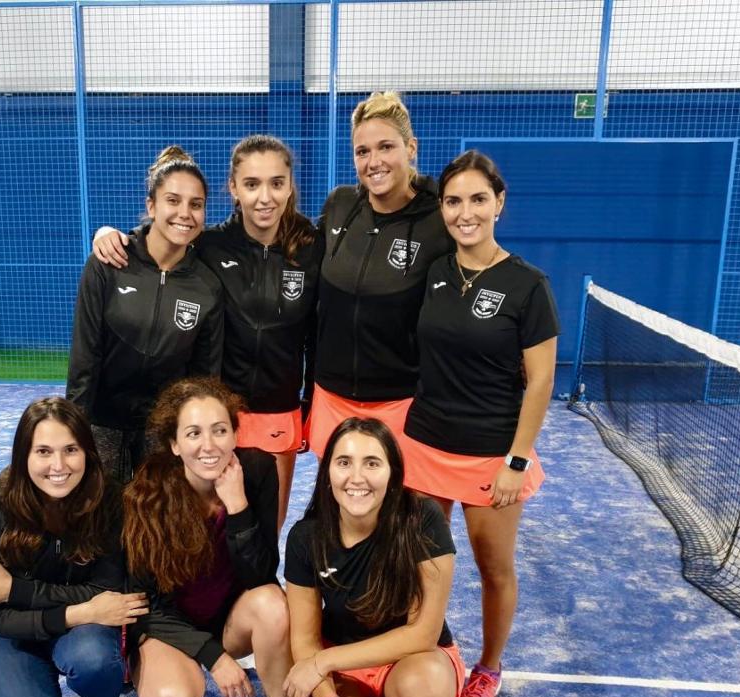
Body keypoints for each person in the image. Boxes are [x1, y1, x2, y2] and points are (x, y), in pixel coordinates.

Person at [92, 135, 322, 529]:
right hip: (220, 414)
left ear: (290, 186)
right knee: (209, 528)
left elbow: (317, 334)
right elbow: (163, 237)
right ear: (233, 188)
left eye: (276, 183)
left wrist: (308, 402)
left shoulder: (311, 248)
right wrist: (114, 236)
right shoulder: (210, 244)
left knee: (266, 530)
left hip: (279, 414)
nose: (264, 197)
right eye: (251, 184)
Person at [401, 150, 559, 697]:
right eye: (453, 201)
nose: (465, 212)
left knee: (494, 567)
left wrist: (516, 461)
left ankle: (488, 668)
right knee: (420, 561)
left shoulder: (526, 286)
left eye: (477, 199)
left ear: (499, 204)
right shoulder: (435, 269)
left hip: (492, 451)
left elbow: (540, 380)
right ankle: (438, 647)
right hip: (423, 444)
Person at [122, 376, 315, 697]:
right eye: (193, 433)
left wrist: (238, 505)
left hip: (229, 618)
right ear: (174, 445)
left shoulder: (257, 470)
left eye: (219, 430)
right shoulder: (148, 495)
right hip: (167, 625)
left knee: (271, 603)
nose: (208, 445)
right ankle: (150, 671)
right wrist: (213, 658)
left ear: (233, 434)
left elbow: (261, 575)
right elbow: (146, 604)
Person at [281, 418, 464, 697]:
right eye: (343, 462)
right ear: (327, 473)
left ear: (393, 472)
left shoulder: (423, 520)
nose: (357, 477)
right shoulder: (306, 537)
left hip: (412, 658)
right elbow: (305, 640)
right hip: (344, 656)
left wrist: (323, 663)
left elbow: (424, 632)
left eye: (372, 463)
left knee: (427, 692)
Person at [0, 397, 150, 697]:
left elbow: (109, 591)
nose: (59, 466)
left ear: (88, 451)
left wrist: (14, 589)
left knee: (93, 658)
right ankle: (36, 678)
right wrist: (80, 612)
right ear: (23, 456)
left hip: (80, 632)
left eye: (71, 450)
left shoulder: (111, 501)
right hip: (10, 632)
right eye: (44, 451)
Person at [306, 90, 454, 455]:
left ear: (411, 148)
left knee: (409, 513)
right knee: (340, 508)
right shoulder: (340, 206)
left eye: (386, 147)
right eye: (362, 151)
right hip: (332, 397)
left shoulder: (440, 219)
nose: (374, 161)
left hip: (403, 403)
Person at [67, 146, 224, 483]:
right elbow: (84, 356)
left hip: (162, 430)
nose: (185, 213)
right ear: (151, 205)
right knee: (101, 518)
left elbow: (202, 377)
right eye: (173, 200)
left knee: (156, 523)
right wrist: (74, 431)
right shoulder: (109, 263)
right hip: (102, 422)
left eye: (196, 205)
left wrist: (191, 435)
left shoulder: (207, 286)